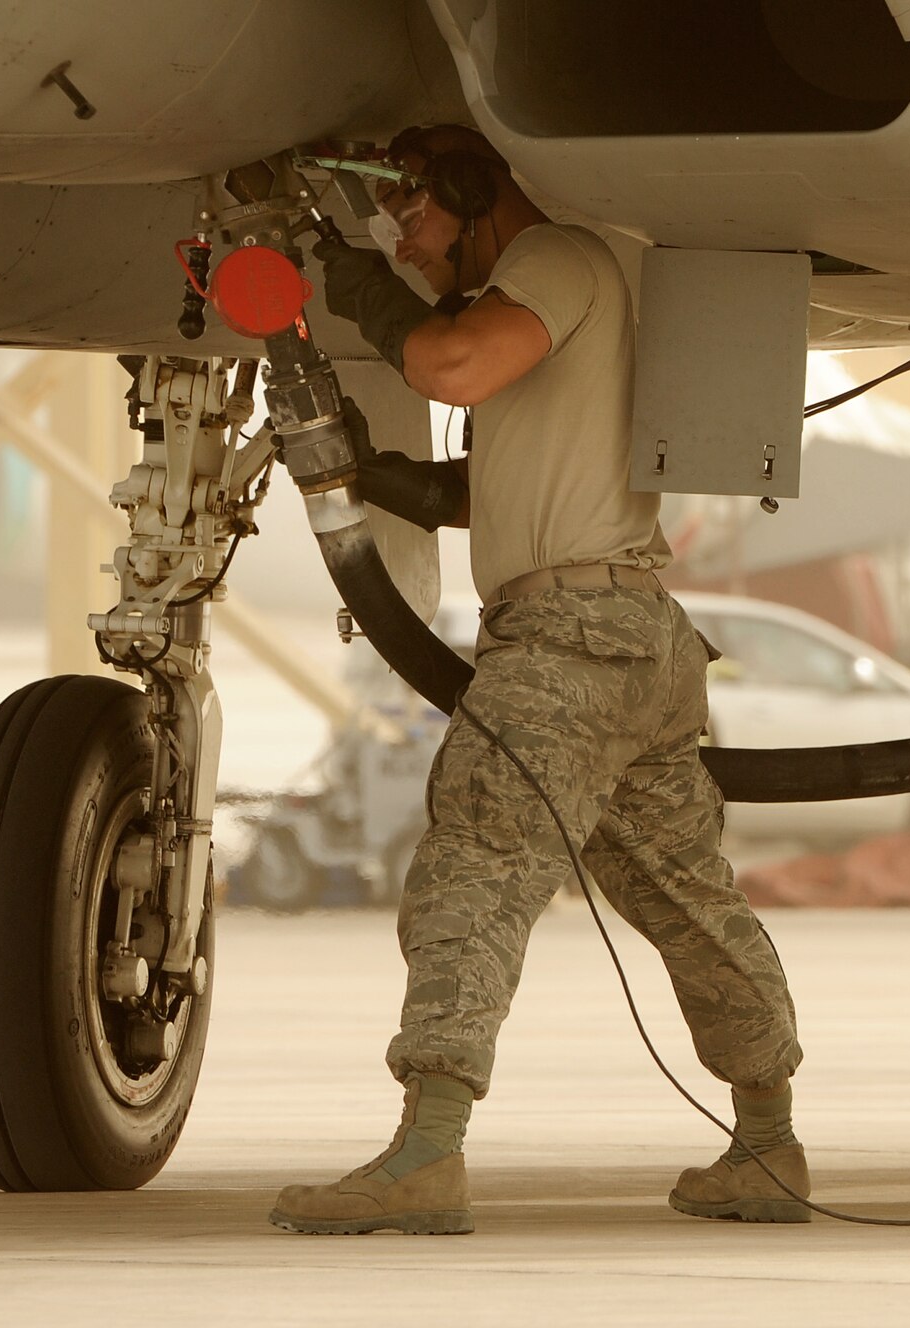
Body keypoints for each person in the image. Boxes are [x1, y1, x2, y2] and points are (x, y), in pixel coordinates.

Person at [269, 124, 810, 1234]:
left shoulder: (553, 259)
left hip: (569, 638)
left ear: (476, 193)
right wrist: (374, 472)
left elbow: (448, 363)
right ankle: (768, 1142)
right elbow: (496, 480)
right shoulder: (546, 300)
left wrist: (354, 281)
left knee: (475, 860)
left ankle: (426, 1154)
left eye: (413, 221)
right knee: (684, 895)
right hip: (632, 635)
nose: (410, 250)